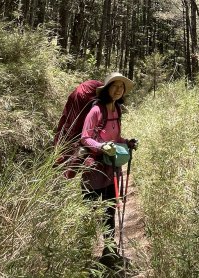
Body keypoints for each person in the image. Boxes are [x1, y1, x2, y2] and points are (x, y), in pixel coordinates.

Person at [80, 71, 137, 260]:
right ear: (107, 89)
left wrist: (126, 142)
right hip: (94, 168)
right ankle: (83, 252)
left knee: (110, 209)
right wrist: (101, 146)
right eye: (115, 85)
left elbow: (115, 138)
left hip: (111, 167)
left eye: (121, 87)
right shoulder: (96, 110)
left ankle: (109, 251)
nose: (119, 89)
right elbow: (85, 138)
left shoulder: (117, 110)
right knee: (90, 210)